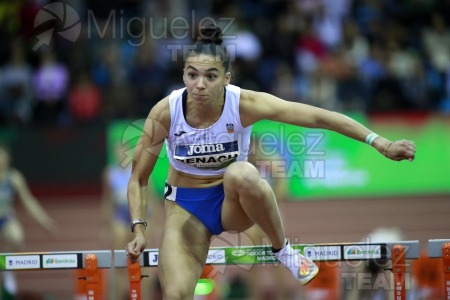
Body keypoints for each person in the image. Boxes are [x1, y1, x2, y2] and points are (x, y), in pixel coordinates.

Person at [125, 25, 416, 299]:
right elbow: (139, 178)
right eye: (192, 75)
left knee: (242, 172)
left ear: (227, 78)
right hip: (185, 207)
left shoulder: (244, 104)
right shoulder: (166, 112)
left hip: (232, 204)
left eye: (210, 76)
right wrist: (139, 229)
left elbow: (318, 116)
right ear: (183, 74)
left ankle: (284, 250)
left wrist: (379, 142)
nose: (199, 85)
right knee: (174, 294)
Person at [0, 144, 57, 297]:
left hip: (5, 218)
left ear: (8, 159)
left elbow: (29, 201)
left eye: (2, 156)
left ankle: (8, 270)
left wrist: (45, 221)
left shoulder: (14, 177)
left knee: (16, 237)